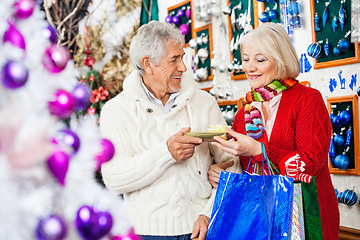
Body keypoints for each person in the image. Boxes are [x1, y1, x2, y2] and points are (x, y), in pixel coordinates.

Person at [99, 21, 240, 240]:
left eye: (182, 57)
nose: (183, 67)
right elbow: (114, 179)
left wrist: (209, 213)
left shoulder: (205, 103)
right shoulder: (116, 111)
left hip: (203, 229)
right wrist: (167, 153)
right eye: (174, 59)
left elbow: (232, 163)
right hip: (147, 234)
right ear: (148, 64)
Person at [208, 22, 339, 240]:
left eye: (260, 60)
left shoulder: (308, 100)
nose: (249, 68)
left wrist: (260, 150)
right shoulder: (245, 111)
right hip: (263, 219)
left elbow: (311, 163)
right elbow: (248, 171)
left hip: (308, 215)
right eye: (246, 59)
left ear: (280, 61)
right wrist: (224, 174)